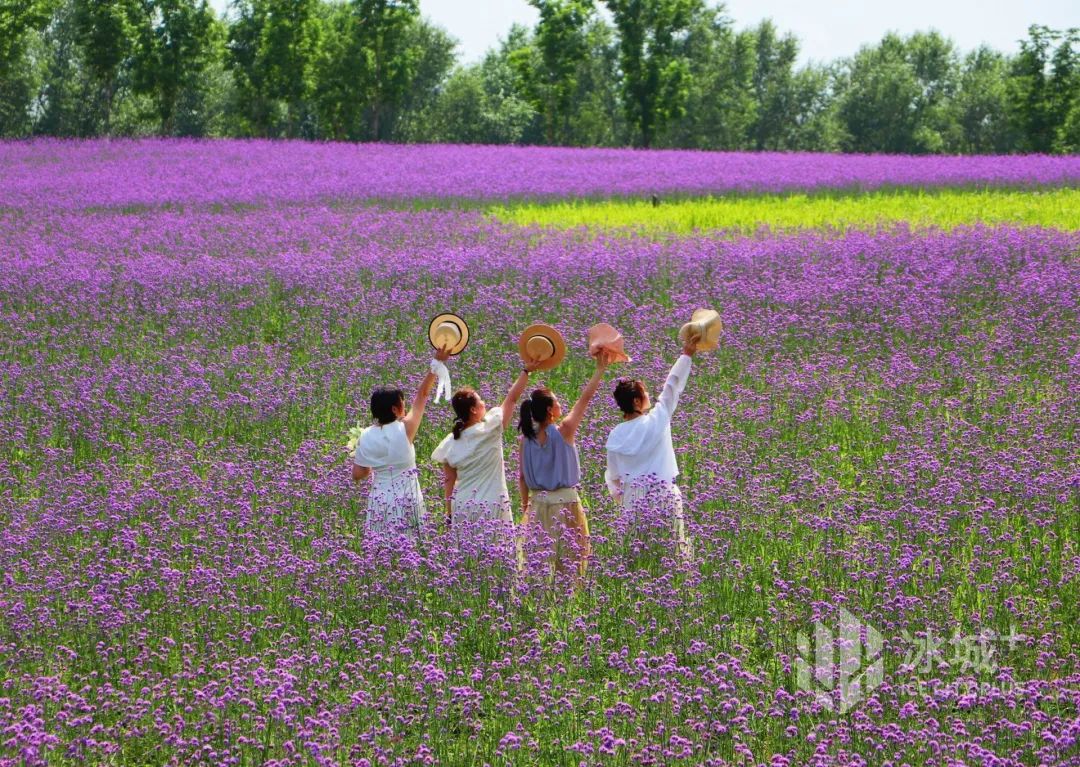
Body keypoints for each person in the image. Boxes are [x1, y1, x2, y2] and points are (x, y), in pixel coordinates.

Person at [518, 352, 611, 579]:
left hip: (538, 504)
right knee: (571, 564)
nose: (561, 404)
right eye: (557, 401)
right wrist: (600, 370)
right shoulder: (565, 431)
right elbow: (584, 400)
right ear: (550, 410)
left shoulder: (526, 439)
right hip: (566, 503)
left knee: (536, 566)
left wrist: (526, 506)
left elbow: (521, 477)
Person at [604, 336, 698, 556]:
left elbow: (614, 478)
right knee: (670, 552)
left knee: (638, 557)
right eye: (644, 393)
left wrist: (626, 499)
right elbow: (672, 386)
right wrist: (686, 355)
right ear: (637, 401)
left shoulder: (616, 435)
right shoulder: (657, 419)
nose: (648, 395)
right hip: (663, 496)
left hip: (634, 501)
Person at [352, 346, 452, 535]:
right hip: (407, 500)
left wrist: (376, 464)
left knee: (379, 547)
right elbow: (422, 395)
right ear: (394, 409)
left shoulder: (365, 435)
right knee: (411, 545)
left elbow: (358, 474)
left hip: (380, 503)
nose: (405, 407)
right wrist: (437, 362)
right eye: (402, 403)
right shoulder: (405, 429)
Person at [432, 357, 542, 525]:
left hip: (462, 507)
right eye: (480, 400)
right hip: (493, 506)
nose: (484, 403)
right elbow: (512, 398)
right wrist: (526, 371)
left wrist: (449, 513)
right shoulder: (490, 428)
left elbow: (449, 480)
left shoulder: (450, 442)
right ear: (473, 409)